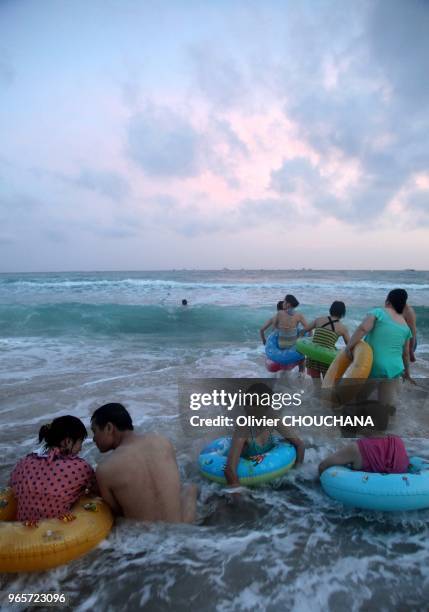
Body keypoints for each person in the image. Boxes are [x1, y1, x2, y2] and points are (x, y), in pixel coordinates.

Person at [91, 403, 197, 523]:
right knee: (190, 488)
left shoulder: (105, 469)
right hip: (181, 528)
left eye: (94, 431)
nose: (94, 438)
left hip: (144, 536)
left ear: (109, 428)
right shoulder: (162, 442)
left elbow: (115, 514)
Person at [9, 416, 95, 524]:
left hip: (23, 530)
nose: (81, 448)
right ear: (67, 441)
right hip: (57, 531)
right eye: (80, 443)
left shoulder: (24, 462)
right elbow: (95, 489)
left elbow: (11, 487)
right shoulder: (80, 467)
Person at [224, 384, 305, 487]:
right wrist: (240, 498)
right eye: (247, 402)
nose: (248, 407)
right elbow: (229, 470)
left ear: (266, 407)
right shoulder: (243, 427)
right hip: (247, 475)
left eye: (254, 404)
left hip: (266, 475)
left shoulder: (273, 418)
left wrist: (294, 476)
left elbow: (300, 445)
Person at [345, 289, 413, 386]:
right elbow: (406, 354)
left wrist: (349, 347)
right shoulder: (405, 326)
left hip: (374, 364)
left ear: (387, 301)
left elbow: (363, 328)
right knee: (386, 400)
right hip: (396, 368)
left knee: (361, 398)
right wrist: (407, 373)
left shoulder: (378, 312)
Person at [318, 435, 410, 476]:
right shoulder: (398, 442)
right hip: (398, 497)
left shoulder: (356, 448)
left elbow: (322, 466)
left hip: (364, 500)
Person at [304, 301, 350, 381]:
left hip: (313, 357)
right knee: (327, 385)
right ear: (343, 313)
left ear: (331, 309)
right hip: (327, 359)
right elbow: (349, 345)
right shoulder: (342, 328)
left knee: (316, 386)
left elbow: (304, 331)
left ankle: (315, 393)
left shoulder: (319, 320)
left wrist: (307, 342)